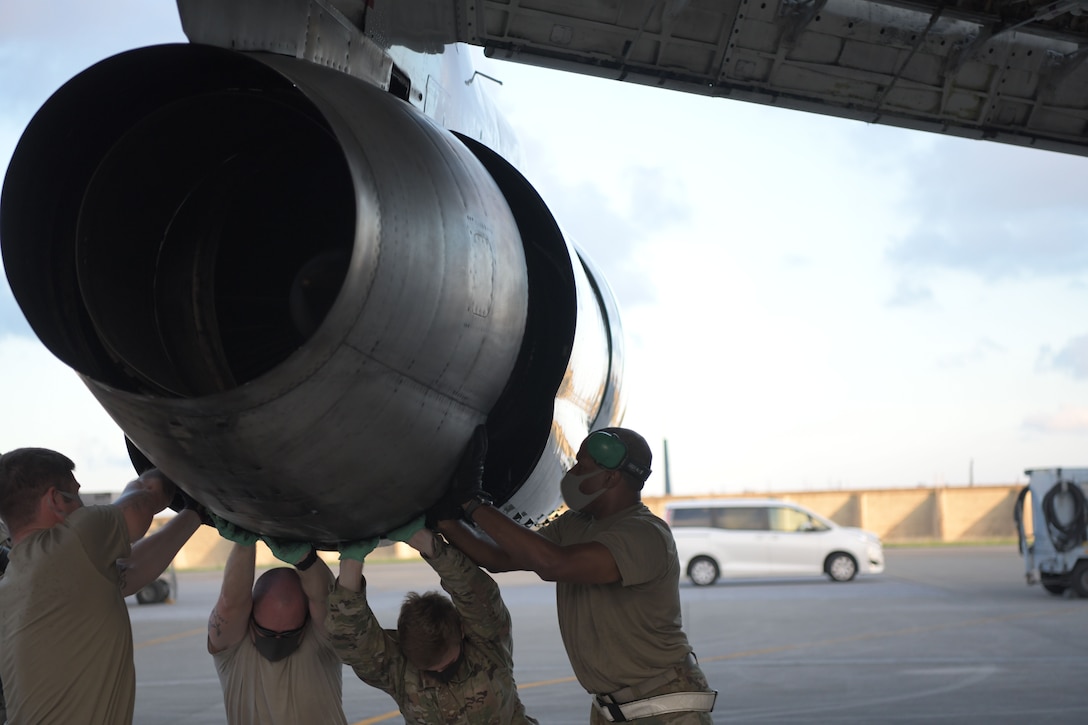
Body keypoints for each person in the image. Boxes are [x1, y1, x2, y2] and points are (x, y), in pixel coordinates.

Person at [435, 427, 718, 723]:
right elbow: (499, 556)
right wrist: (446, 523)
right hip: (611, 709)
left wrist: (475, 503)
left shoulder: (646, 534)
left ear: (610, 477)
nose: (572, 473)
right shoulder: (575, 524)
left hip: (666, 707)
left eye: (582, 466)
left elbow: (553, 564)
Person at [0, 447, 204, 724]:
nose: (82, 505)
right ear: (56, 499)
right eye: (76, 494)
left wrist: (194, 514)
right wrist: (186, 465)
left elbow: (132, 569)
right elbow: (146, 496)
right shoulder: (73, 540)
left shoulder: (18, 581)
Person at [326, 514, 538, 724]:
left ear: (461, 631)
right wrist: (352, 561)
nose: (440, 672)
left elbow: (477, 594)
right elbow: (354, 643)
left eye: (448, 663)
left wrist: (427, 543)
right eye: (429, 669)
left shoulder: (488, 647)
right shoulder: (400, 671)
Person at [207, 516, 348, 725]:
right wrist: (244, 545)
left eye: (290, 633)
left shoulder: (321, 643)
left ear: (307, 621)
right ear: (250, 616)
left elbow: (325, 600)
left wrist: (306, 560)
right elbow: (231, 604)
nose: (277, 640)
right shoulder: (233, 650)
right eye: (267, 632)